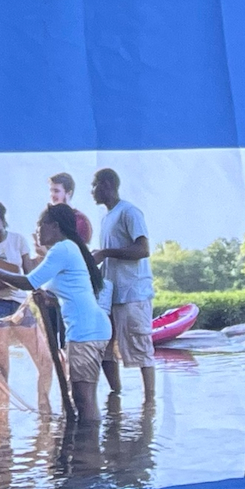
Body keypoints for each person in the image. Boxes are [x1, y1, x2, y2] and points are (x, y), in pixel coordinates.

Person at [26, 202, 113, 421]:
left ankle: (89, 451)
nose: (37, 231)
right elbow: (71, 295)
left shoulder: (62, 248)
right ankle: (89, 448)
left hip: (86, 332)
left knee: (83, 400)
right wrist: (49, 299)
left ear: (54, 226)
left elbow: (28, 281)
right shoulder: (69, 248)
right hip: (90, 329)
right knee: (85, 398)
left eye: (40, 225)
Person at [0, 198, 52, 411]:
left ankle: (44, 404)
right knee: (1, 365)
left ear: (4, 221)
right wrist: (10, 279)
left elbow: (28, 274)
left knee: (44, 358)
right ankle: (2, 413)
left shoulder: (18, 241)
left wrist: (40, 257)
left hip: (20, 305)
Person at [93, 166, 156, 404]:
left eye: (94, 185)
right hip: (111, 296)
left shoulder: (129, 212)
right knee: (105, 346)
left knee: (141, 348)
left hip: (133, 294)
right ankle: (115, 397)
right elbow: (107, 260)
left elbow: (143, 249)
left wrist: (106, 252)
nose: (92, 191)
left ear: (107, 185)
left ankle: (149, 403)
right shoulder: (106, 218)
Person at [49, 171, 94, 246]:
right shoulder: (49, 218)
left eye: (56, 191)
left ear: (68, 193)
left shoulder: (80, 220)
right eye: (51, 191)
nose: (52, 195)